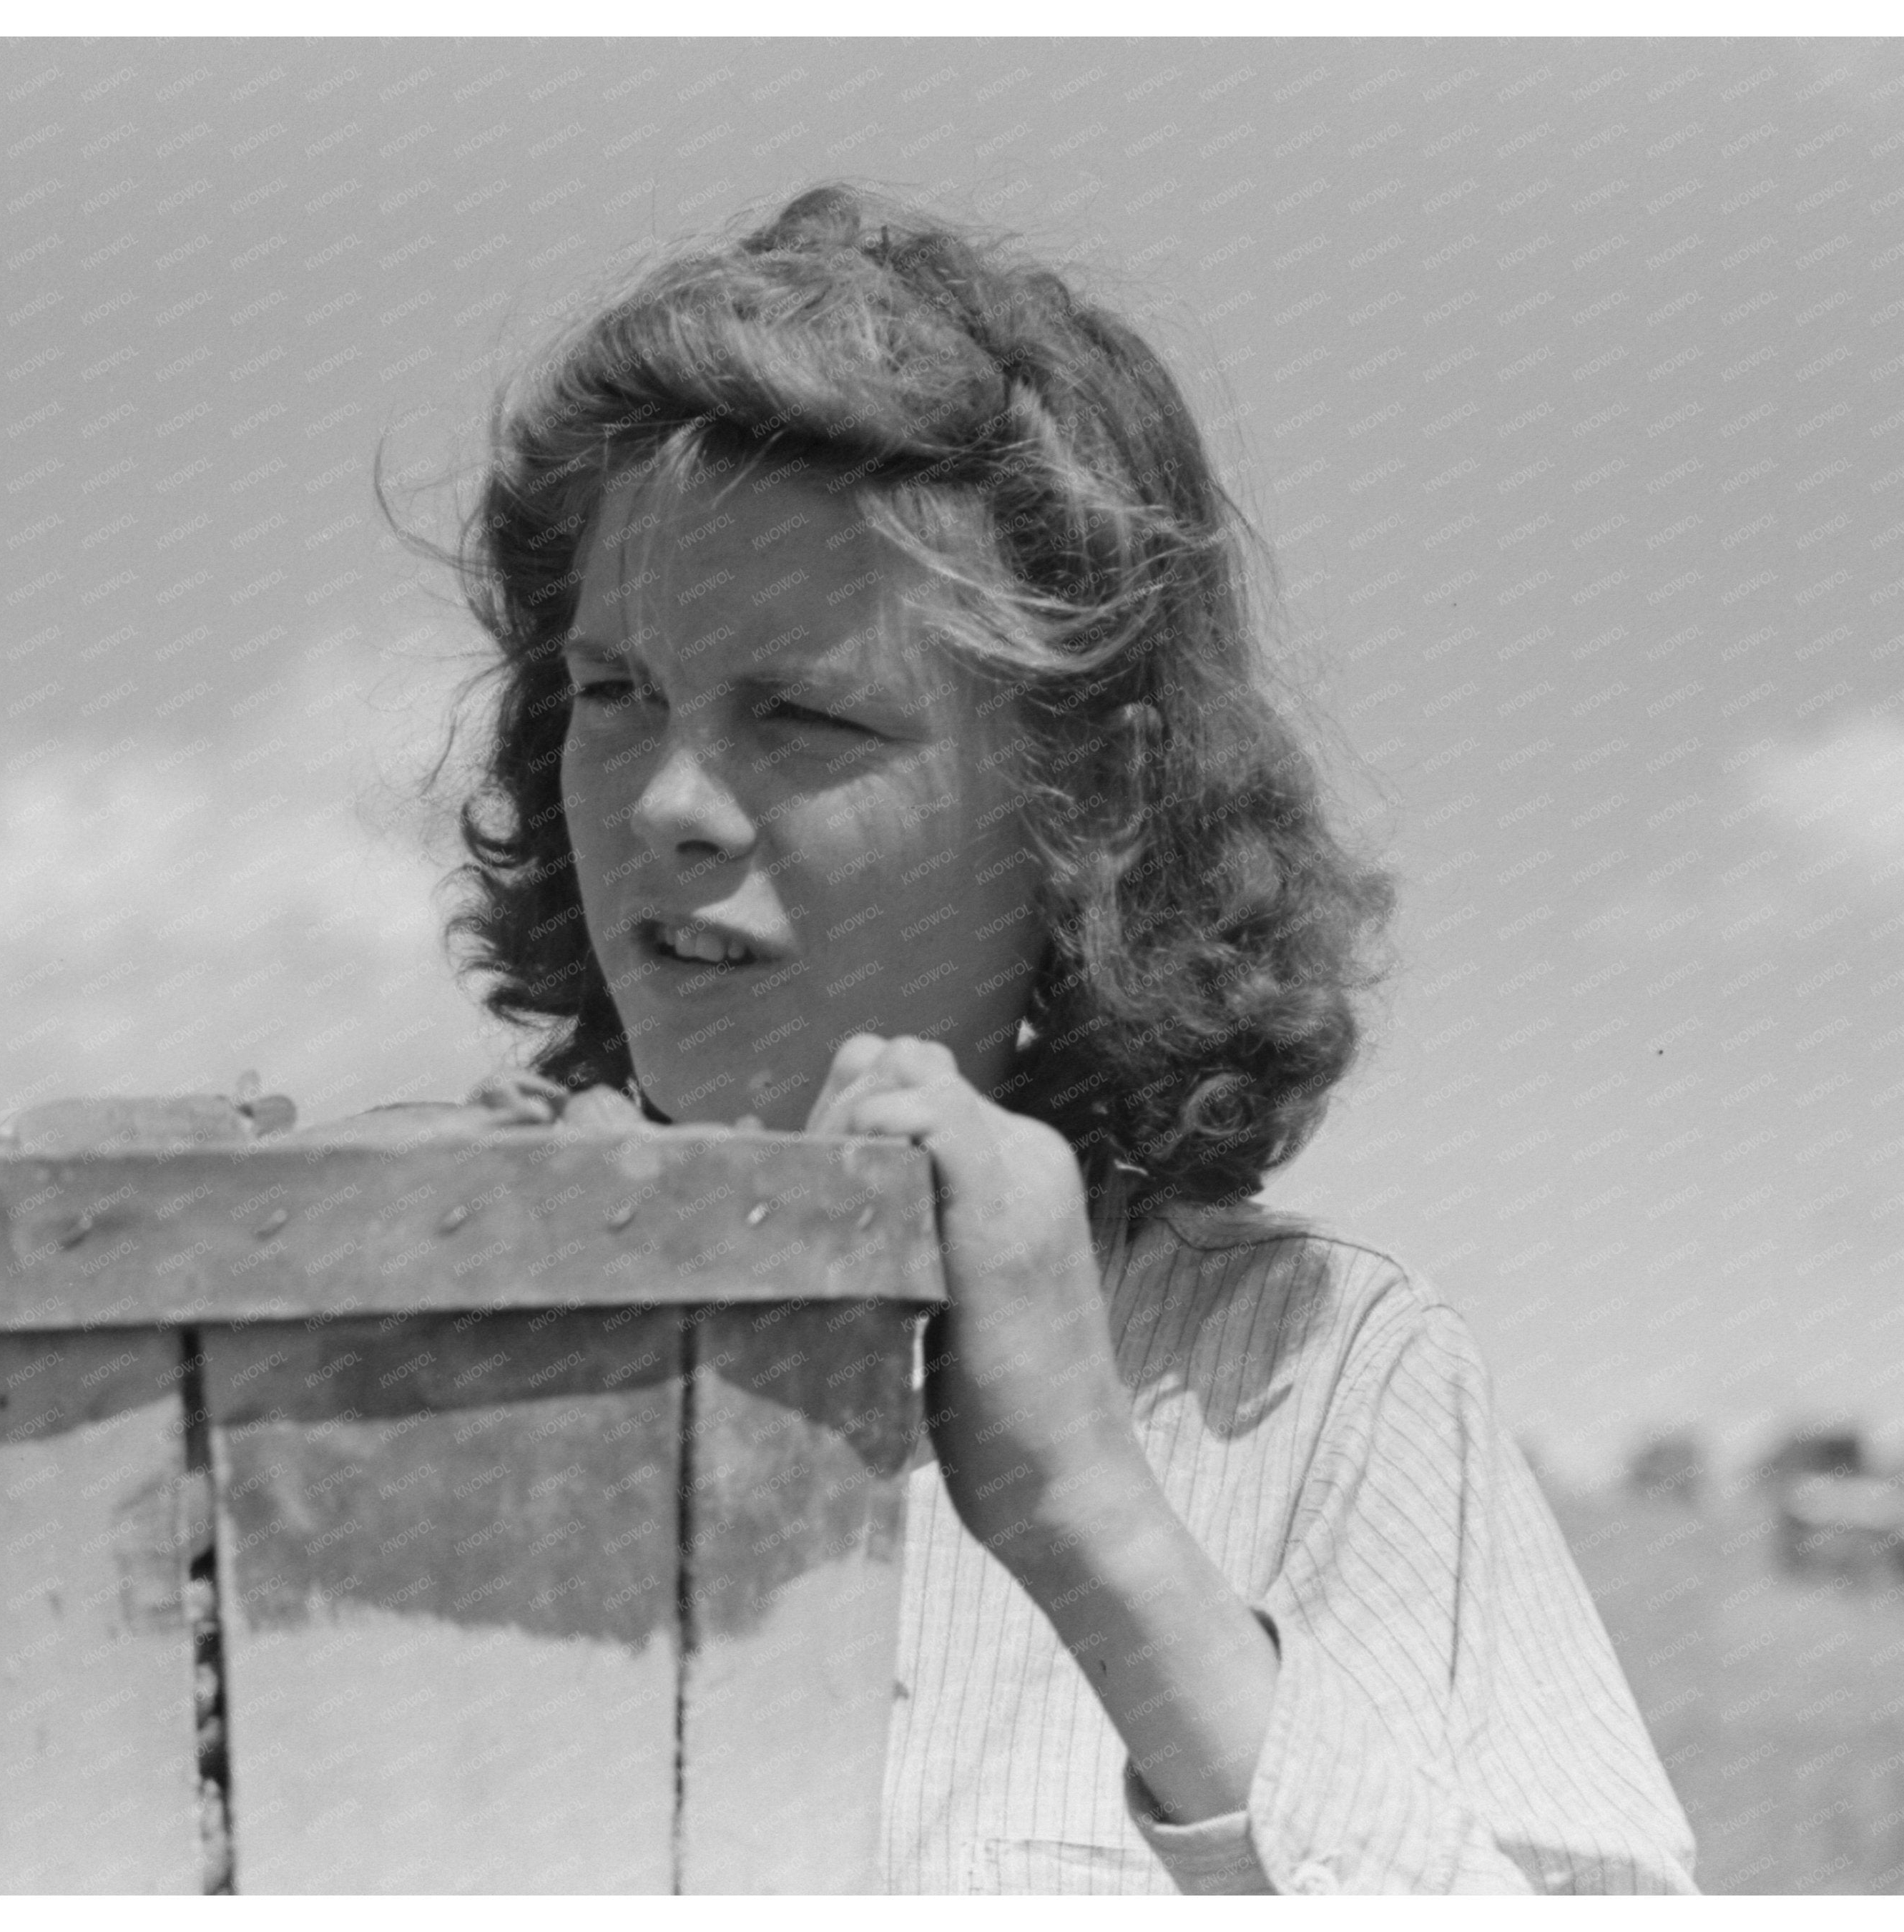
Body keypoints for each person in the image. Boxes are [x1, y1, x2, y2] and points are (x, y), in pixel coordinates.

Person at [436, 183, 1697, 1893]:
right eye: (610, 693)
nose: (664, 801)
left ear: (1083, 797)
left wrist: (1088, 1517)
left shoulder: (1316, 1384)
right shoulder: (406, 1340)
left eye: (802, 711)